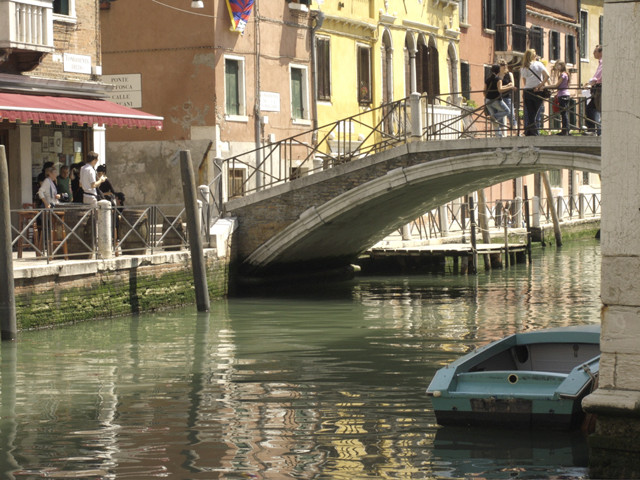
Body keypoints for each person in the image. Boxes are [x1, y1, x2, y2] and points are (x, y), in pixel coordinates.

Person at [521, 49, 550, 136]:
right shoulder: (539, 64)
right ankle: (534, 131)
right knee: (536, 112)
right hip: (537, 91)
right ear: (533, 56)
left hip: (527, 91)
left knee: (530, 113)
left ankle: (530, 132)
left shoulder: (523, 67)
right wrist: (539, 86)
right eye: (535, 54)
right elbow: (547, 76)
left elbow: (524, 82)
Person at [484, 64, 509, 137]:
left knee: (495, 121)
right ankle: (494, 117)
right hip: (496, 100)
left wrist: (487, 97)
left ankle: (498, 135)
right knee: (507, 111)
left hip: (488, 100)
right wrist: (509, 87)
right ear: (498, 71)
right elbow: (500, 90)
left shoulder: (487, 80)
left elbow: (484, 91)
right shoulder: (499, 80)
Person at [548, 61, 571, 135]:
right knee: (564, 113)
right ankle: (565, 130)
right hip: (565, 94)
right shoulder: (566, 74)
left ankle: (565, 130)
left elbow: (556, 85)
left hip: (563, 95)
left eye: (557, 65)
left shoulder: (563, 75)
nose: (556, 67)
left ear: (561, 66)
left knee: (564, 113)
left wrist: (545, 87)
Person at [584, 45, 602, 135]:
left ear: (600, 52)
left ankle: (596, 131)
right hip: (598, 88)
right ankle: (593, 130)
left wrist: (590, 84)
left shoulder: (603, 62)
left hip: (600, 89)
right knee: (591, 108)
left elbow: (598, 77)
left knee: (596, 109)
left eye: (595, 51)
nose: (593, 53)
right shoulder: (600, 62)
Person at [498, 59, 517, 131]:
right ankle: (502, 133)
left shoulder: (509, 74)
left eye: (505, 64)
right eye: (502, 65)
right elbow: (498, 87)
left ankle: (515, 132)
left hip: (507, 97)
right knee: (500, 115)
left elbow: (512, 84)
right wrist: (507, 86)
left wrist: (503, 87)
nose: (504, 66)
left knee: (511, 114)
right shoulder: (498, 75)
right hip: (499, 97)